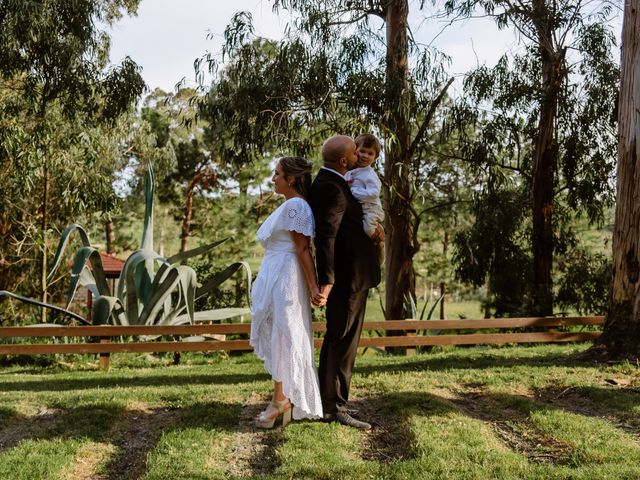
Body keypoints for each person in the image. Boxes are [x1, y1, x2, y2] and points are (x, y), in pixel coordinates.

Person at [310, 135, 383, 430]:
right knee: (342, 341)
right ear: (343, 160)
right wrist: (327, 281)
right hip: (347, 278)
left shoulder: (337, 183)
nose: (359, 155)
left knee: (338, 338)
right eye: (355, 152)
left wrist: (379, 230)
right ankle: (334, 407)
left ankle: (326, 400)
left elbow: (354, 223)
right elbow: (327, 237)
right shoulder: (333, 188)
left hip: (354, 275)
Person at [250, 156, 324, 428]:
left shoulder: (295, 206)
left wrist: (314, 286)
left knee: (285, 333)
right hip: (278, 272)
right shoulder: (289, 204)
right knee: (280, 333)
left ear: (291, 179)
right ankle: (280, 399)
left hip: (287, 277)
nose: (274, 178)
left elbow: (303, 249)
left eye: (277, 173)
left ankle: (281, 401)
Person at [344, 133, 385, 264]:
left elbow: (373, 193)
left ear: (375, 157)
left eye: (370, 153)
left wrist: (354, 192)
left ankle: (380, 244)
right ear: (355, 151)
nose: (365, 156)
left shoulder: (370, 174)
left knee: (367, 229)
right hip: (361, 208)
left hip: (371, 208)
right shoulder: (350, 171)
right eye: (362, 151)